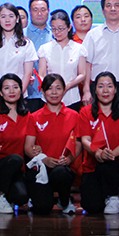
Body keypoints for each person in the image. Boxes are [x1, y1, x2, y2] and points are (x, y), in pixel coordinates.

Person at [78, 72, 119, 214]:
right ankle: (104, 195)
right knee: (92, 207)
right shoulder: (85, 112)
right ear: (95, 90)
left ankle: (114, 197)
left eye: (109, 86)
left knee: (106, 165)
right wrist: (97, 152)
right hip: (92, 166)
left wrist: (109, 155)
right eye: (101, 86)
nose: (105, 90)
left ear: (115, 89)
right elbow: (85, 140)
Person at [24, 74, 80, 215]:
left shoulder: (74, 116)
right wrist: (44, 159)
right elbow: (28, 147)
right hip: (41, 168)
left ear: (64, 90)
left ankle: (64, 200)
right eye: (49, 88)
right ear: (42, 91)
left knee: (61, 173)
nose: (54, 92)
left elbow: (78, 143)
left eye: (58, 88)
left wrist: (69, 159)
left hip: (64, 168)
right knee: (43, 208)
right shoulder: (34, 117)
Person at [0, 74, 31, 213]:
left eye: (15, 87)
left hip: (18, 169)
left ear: (21, 90)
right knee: (15, 159)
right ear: (1, 93)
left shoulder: (27, 116)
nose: (12, 91)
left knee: (21, 197)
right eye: (7, 88)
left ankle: (8, 194)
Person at [0, 3, 38, 99]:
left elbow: (27, 73)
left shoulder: (26, 43)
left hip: (18, 96)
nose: (7, 20)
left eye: (11, 16)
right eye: (3, 17)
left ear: (17, 19)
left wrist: (18, 96)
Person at [37, 9, 88, 111]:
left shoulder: (79, 48)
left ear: (69, 27)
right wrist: (50, 87)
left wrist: (68, 85)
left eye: (60, 28)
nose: (57, 32)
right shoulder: (45, 49)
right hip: (49, 98)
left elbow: (82, 74)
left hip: (72, 97)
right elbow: (41, 74)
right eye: (54, 29)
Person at [26, 0, 53, 112]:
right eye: (35, 10)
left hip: (52, 94)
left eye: (43, 10)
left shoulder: (56, 34)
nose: (39, 13)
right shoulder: (21, 35)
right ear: (30, 11)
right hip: (28, 93)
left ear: (48, 11)